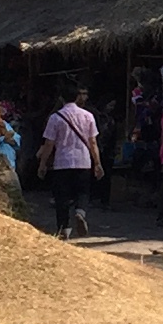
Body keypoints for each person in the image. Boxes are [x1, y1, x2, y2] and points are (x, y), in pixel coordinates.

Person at [42, 83, 101, 238]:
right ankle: (80, 212)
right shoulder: (88, 116)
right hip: (83, 161)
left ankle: (64, 229)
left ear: (61, 98)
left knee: (62, 196)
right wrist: (97, 163)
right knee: (83, 192)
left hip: (62, 162)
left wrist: (43, 163)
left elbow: (49, 143)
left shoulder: (55, 118)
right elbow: (93, 142)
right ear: (77, 97)